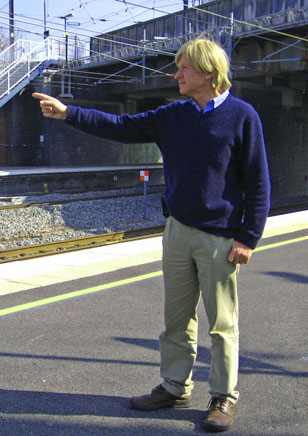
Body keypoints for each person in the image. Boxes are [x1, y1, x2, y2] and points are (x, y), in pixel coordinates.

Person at [33, 38, 271, 432]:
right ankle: (175, 386)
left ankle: (224, 396)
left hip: (221, 238)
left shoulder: (243, 116)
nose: (175, 74)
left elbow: (258, 182)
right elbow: (121, 127)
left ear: (208, 72)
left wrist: (248, 238)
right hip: (177, 231)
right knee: (176, 320)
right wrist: (68, 113)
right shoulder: (174, 115)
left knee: (222, 324)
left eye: (182, 68)